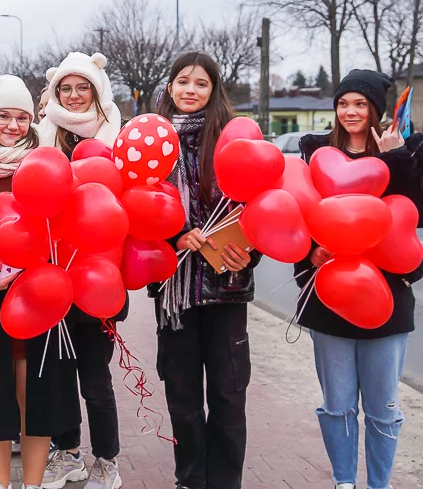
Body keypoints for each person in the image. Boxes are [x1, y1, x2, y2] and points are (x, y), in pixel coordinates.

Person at [294, 69, 423, 489]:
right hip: (329, 299)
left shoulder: (406, 154)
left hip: (386, 301)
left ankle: (379, 484)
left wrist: (396, 158)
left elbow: (411, 218)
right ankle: (344, 482)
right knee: (338, 405)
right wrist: (309, 255)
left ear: (375, 111)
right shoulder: (315, 154)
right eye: (343, 103)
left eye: (360, 104)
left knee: (383, 407)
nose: (350, 111)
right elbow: (299, 220)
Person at [0, 75, 80, 489]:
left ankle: (33, 485)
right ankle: (0, 485)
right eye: (4, 115)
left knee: (40, 400)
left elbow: (70, 230)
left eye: (22, 117)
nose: (13, 125)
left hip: (41, 304)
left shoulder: (47, 168)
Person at [150, 50, 262, 489]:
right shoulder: (152, 142)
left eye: (200, 83)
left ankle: (226, 482)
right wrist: (172, 238)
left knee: (229, 394)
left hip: (226, 289)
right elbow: (137, 214)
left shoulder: (233, 142)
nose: (190, 91)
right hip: (174, 293)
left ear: (214, 90)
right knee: (182, 397)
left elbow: (260, 212)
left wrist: (248, 255)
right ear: (170, 87)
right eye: (183, 82)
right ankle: (191, 480)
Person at [36, 52, 126, 489]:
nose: (73, 96)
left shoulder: (117, 137)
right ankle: (67, 452)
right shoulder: (42, 135)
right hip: (51, 272)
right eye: (65, 88)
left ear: (96, 89)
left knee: (95, 377)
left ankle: (107, 460)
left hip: (97, 274)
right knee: (57, 374)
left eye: (82, 87)